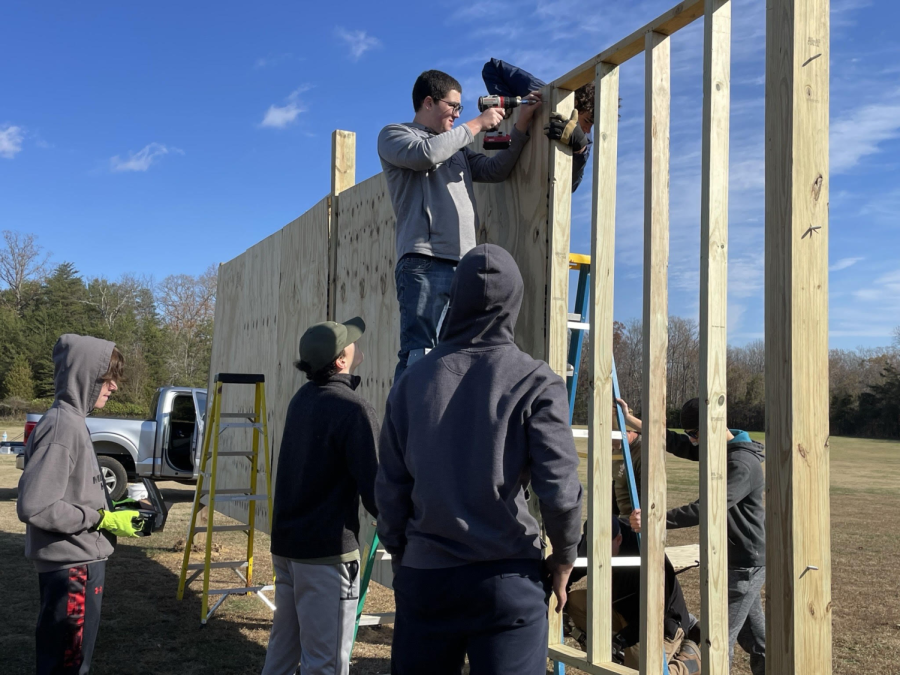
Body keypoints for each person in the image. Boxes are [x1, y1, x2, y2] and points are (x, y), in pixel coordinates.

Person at [375, 244, 583, 675]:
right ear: (514, 302)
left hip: (426, 578)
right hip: (507, 582)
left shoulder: (411, 383)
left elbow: (391, 488)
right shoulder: (536, 380)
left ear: (456, 298)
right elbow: (560, 491)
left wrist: (402, 555)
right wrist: (564, 558)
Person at [378, 69, 542, 381]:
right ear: (429, 102)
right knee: (420, 354)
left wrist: (521, 124)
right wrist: (478, 123)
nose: (457, 114)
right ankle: (409, 428)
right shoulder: (396, 135)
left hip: (464, 265)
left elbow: (495, 170)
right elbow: (425, 155)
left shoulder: (458, 149)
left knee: (458, 357)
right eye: (453, 106)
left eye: (460, 109)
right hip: (425, 263)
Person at [261, 317, 380, 675]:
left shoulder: (302, 399)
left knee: (283, 652)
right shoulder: (353, 409)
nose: (358, 345)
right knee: (325, 663)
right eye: (351, 343)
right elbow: (376, 488)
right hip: (326, 556)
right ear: (341, 361)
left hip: (289, 548)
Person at [18, 334, 141, 675]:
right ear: (83, 375)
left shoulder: (72, 421)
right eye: (107, 378)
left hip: (79, 563)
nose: (113, 386)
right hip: (72, 568)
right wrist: (98, 518)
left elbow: (69, 490)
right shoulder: (62, 427)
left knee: (69, 661)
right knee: (67, 665)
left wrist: (113, 508)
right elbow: (36, 506)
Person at [625, 397, 767, 675]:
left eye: (695, 434)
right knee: (755, 639)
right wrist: (633, 422)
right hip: (735, 559)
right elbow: (676, 443)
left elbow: (708, 507)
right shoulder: (718, 448)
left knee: (716, 640)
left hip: (743, 565)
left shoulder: (741, 462)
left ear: (714, 426)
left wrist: (656, 520)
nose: (691, 441)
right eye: (690, 433)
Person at [566, 517, 701, 674]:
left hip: (658, 624)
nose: (597, 558)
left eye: (602, 553)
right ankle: (612, 659)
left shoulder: (645, 554)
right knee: (576, 601)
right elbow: (570, 570)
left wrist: (621, 640)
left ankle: (688, 665)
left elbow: (653, 615)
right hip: (623, 612)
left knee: (643, 670)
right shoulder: (596, 538)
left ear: (619, 539)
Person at [482, 58, 594, 192]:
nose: (587, 129)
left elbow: (570, 187)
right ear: (574, 104)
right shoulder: (541, 95)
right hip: (503, 186)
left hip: (532, 192)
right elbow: (492, 68)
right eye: (587, 121)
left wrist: (579, 151)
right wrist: (509, 105)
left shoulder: (584, 139)